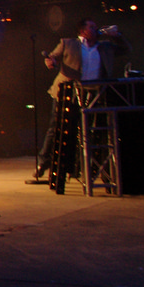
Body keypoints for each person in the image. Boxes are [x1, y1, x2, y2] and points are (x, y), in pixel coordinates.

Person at [30, 17, 130, 183]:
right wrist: (51, 61)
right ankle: (43, 163)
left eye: (95, 26)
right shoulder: (68, 43)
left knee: (91, 131)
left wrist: (117, 35)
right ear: (82, 30)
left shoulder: (105, 46)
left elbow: (126, 49)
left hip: (94, 94)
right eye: (91, 26)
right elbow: (53, 57)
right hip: (68, 92)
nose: (95, 29)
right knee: (56, 128)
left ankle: (85, 167)